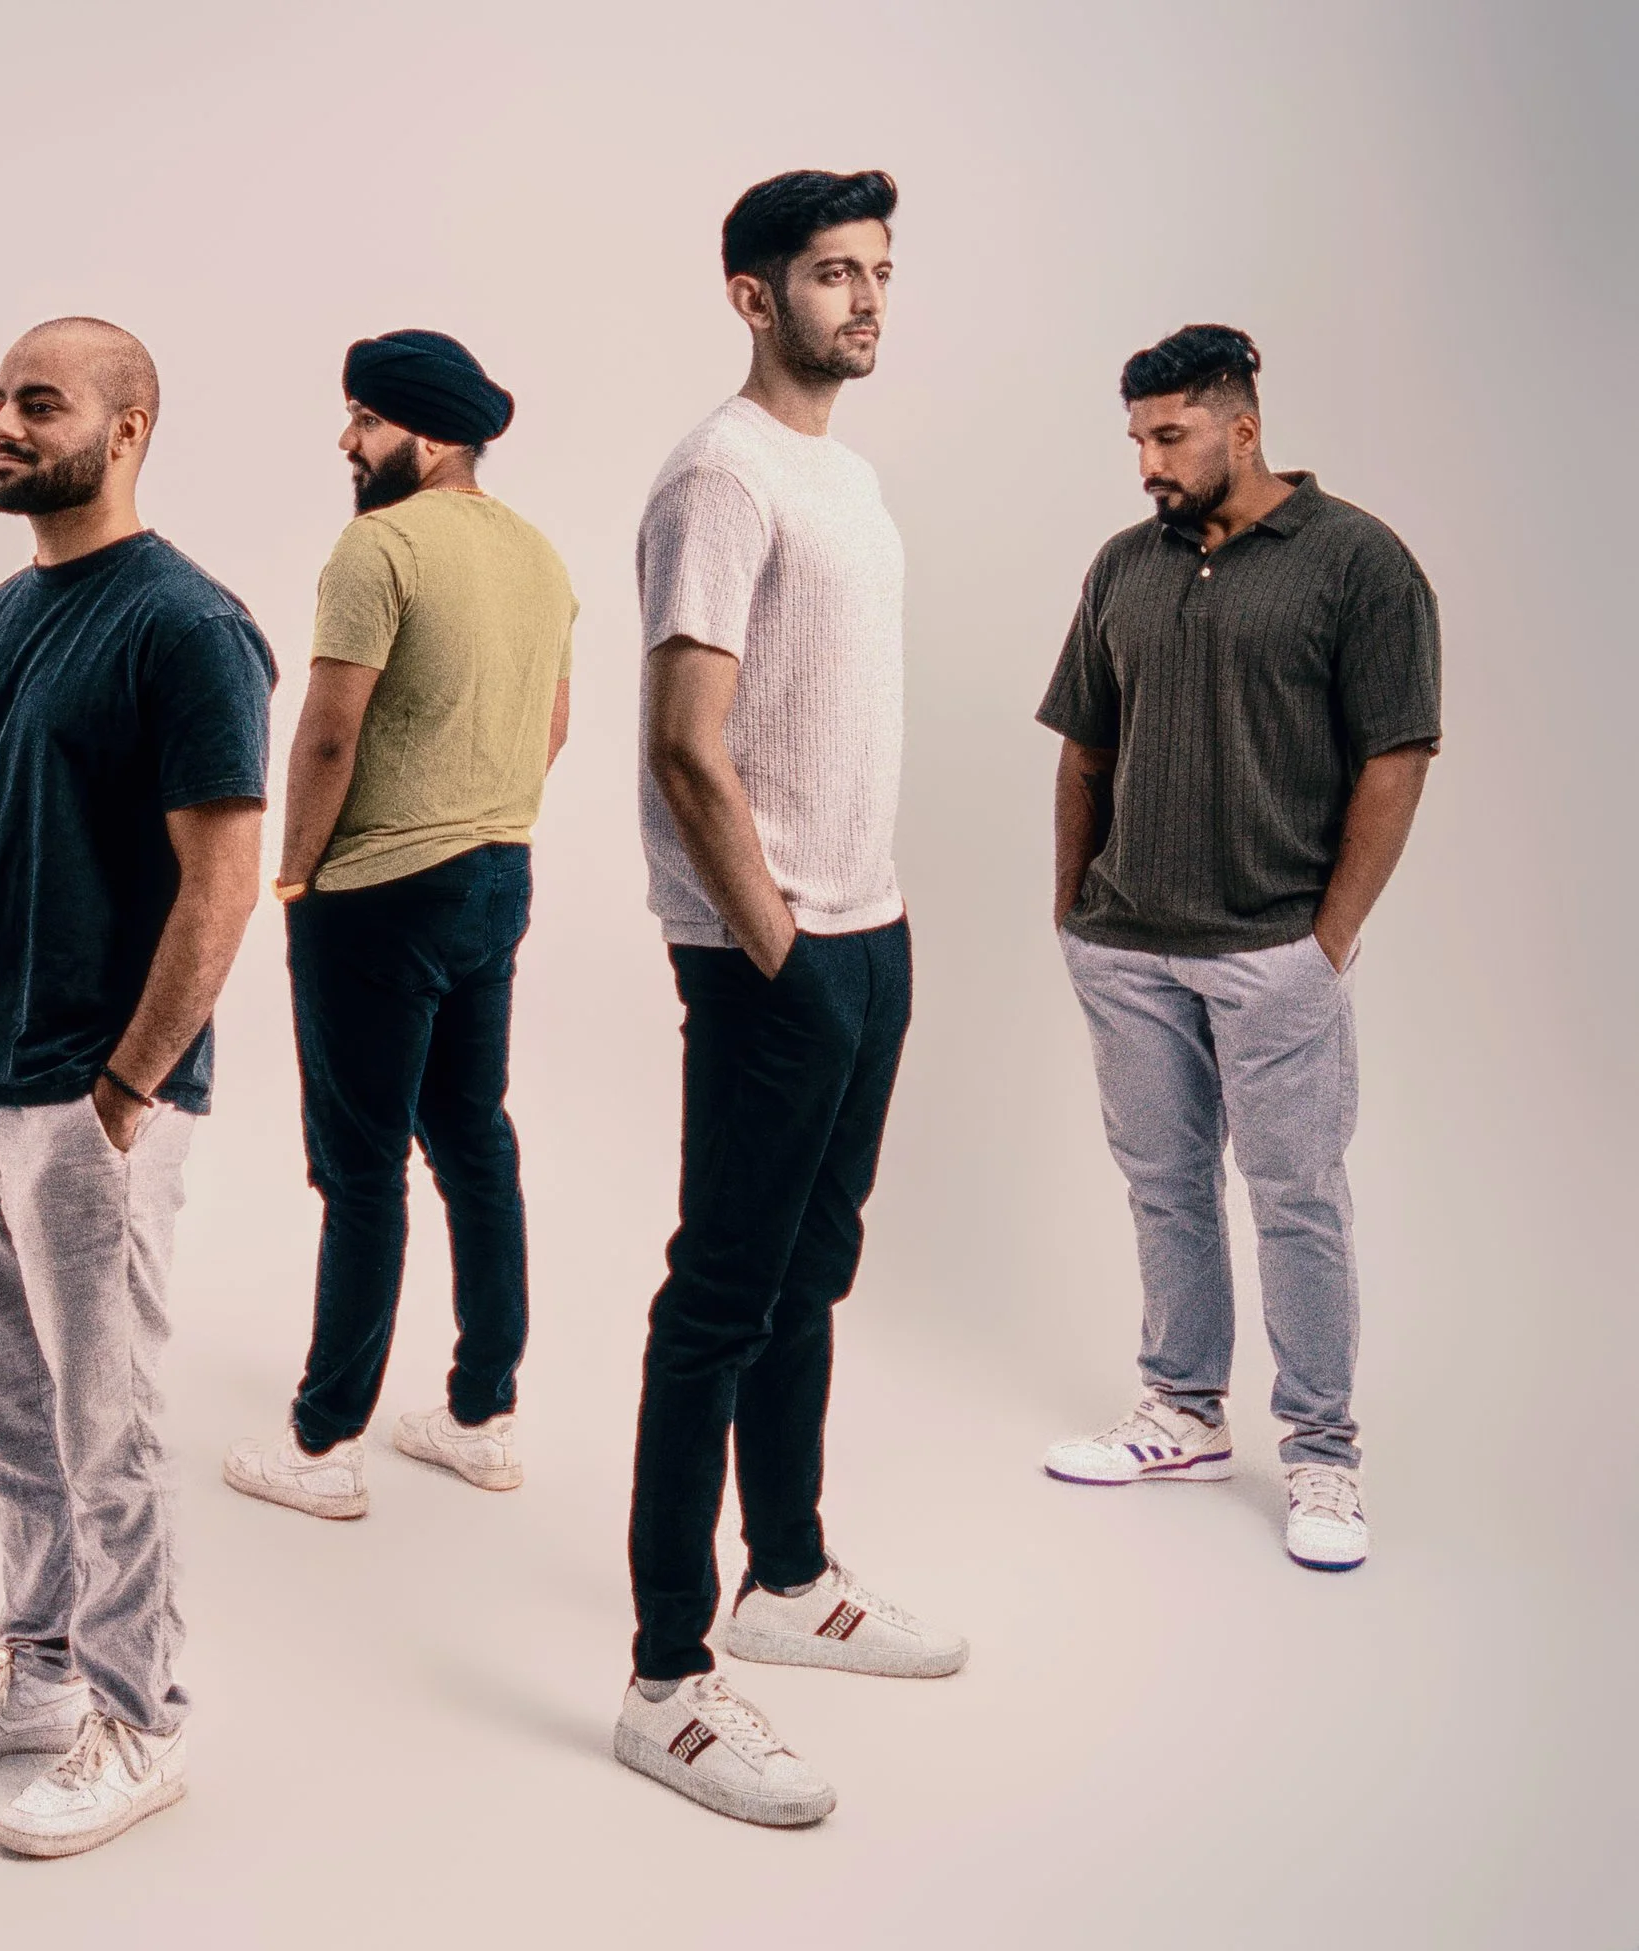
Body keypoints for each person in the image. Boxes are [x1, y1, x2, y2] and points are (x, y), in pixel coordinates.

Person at [0, 319, 275, 1859]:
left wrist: (122, 1092)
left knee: (105, 1428)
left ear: (127, 430)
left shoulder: (186, 626)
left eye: (36, 401)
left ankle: (137, 1714)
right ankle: (41, 1669)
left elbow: (224, 882)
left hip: (84, 1102)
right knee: (6, 1415)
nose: (1, 422)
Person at [611, 170, 969, 1831]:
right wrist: (776, 941)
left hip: (868, 932)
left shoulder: (848, 475)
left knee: (813, 1268)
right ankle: (671, 1677)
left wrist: (859, 937)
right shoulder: (721, 475)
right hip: (781, 952)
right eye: (835, 274)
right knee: (720, 1299)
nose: (869, 299)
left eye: (881, 271)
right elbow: (687, 739)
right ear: (756, 297)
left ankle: (790, 1572)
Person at [1037, 324, 1441, 1573]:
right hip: (1128, 946)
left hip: (1275, 952)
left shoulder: (1356, 563)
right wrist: (1074, 912)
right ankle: (1183, 1411)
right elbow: (1083, 746)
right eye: (1137, 440)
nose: (1148, 463)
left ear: (1242, 429)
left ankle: (1321, 1455)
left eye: (1170, 436)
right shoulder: (1123, 565)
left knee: (1296, 1200)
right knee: (1163, 1184)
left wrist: (1327, 940)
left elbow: (1397, 754)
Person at [222, 330, 575, 1521]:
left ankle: (323, 1447)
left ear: (423, 435)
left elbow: (327, 732)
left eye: (363, 420)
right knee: (473, 1137)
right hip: (497, 875)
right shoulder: (536, 554)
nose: (345, 440)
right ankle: (484, 1414)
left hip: (377, 891)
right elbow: (554, 725)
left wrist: (293, 877)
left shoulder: (377, 546)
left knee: (362, 1166)